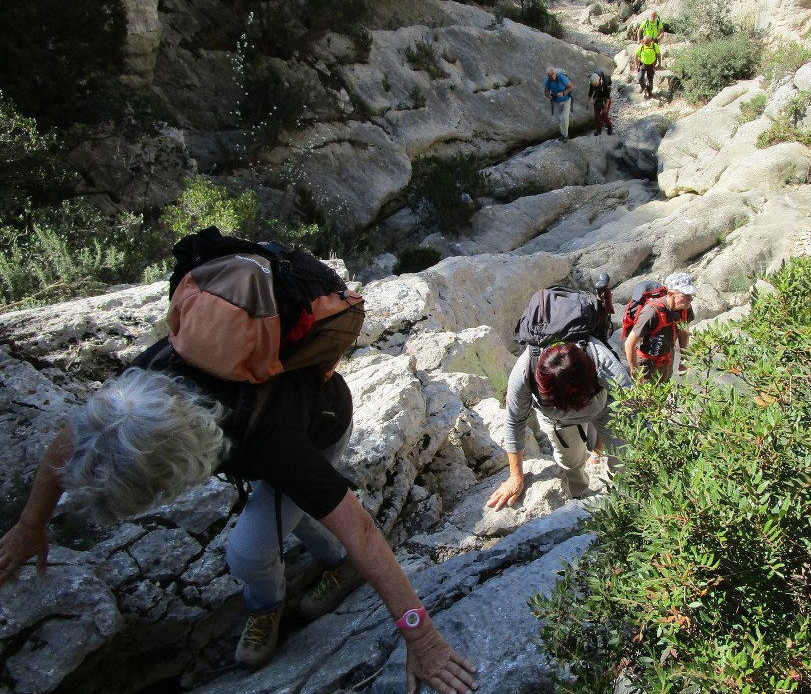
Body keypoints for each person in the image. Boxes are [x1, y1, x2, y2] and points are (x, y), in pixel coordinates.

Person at [0, 360, 479, 691]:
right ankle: (332, 561)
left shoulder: (269, 441)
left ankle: (273, 600)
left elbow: (363, 531)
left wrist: (424, 641)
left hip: (322, 427)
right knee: (293, 507)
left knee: (248, 551)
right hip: (286, 422)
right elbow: (76, 437)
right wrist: (29, 524)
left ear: (179, 467)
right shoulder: (138, 395)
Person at [485, 340, 632, 510]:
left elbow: (634, 407)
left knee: (625, 460)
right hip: (558, 422)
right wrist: (515, 475)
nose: (572, 411)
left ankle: (626, 503)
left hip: (604, 409)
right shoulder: (525, 370)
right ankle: (578, 499)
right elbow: (514, 420)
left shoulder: (602, 362)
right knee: (570, 464)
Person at [624, 273, 697, 382]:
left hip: (667, 360)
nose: (690, 299)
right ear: (671, 294)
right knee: (647, 398)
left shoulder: (685, 309)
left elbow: (683, 333)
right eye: (685, 295)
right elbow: (629, 343)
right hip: (646, 364)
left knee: (663, 393)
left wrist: (684, 359)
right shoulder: (652, 312)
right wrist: (636, 374)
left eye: (691, 294)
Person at [543, 65, 574, 141]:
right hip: (556, 102)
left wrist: (563, 93)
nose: (552, 76)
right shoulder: (547, 81)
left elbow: (571, 86)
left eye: (553, 74)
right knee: (559, 119)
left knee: (565, 118)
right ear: (548, 76)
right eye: (550, 75)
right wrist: (549, 96)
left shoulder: (561, 78)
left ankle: (565, 136)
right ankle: (562, 134)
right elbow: (545, 92)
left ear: (555, 73)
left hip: (566, 100)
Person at [587, 71, 613, 136]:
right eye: (594, 84)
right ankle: (598, 130)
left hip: (605, 100)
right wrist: (588, 101)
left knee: (604, 116)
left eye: (595, 84)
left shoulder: (604, 85)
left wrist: (606, 107)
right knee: (597, 116)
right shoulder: (592, 84)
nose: (594, 85)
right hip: (597, 99)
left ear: (599, 80)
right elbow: (590, 93)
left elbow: (608, 97)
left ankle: (609, 127)